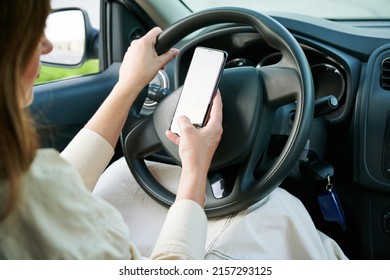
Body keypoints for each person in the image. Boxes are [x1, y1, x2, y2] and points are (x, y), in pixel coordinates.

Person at [0, 0, 223, 260]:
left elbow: (52, 187)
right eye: (33, 30)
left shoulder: (27, 188)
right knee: (276, 210)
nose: (47, 46)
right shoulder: (24, 202)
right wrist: (195, 168)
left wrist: (128, 85)